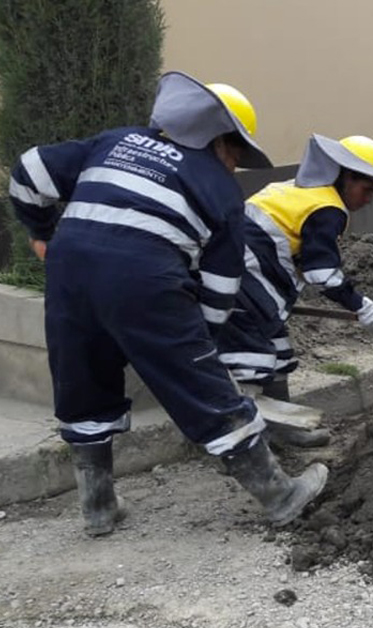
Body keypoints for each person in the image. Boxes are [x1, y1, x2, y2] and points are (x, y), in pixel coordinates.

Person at [7, 71, 327, 536]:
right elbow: (220, 288)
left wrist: (41, 232)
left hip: (69, 272)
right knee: (205, 390)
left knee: (84, 379)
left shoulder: (116, 141)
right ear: (218, 139)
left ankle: (98, 510)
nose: (235, 165)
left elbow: (29, 171)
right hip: (145, 275)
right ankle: (280, 495)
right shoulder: (220, 192)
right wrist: (202, 347)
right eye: (237, 151)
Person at [217, 134, 373, 447]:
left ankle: (280, 431)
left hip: (238, 280)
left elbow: (298, 256)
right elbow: (323, 274)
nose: (368, 199)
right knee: (251, 364)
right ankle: (239, 445)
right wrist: (362, 306)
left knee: (278, 355)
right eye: (366, 189)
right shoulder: (327, 208)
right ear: (344, 177)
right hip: (242, 286)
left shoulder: (293, 189)